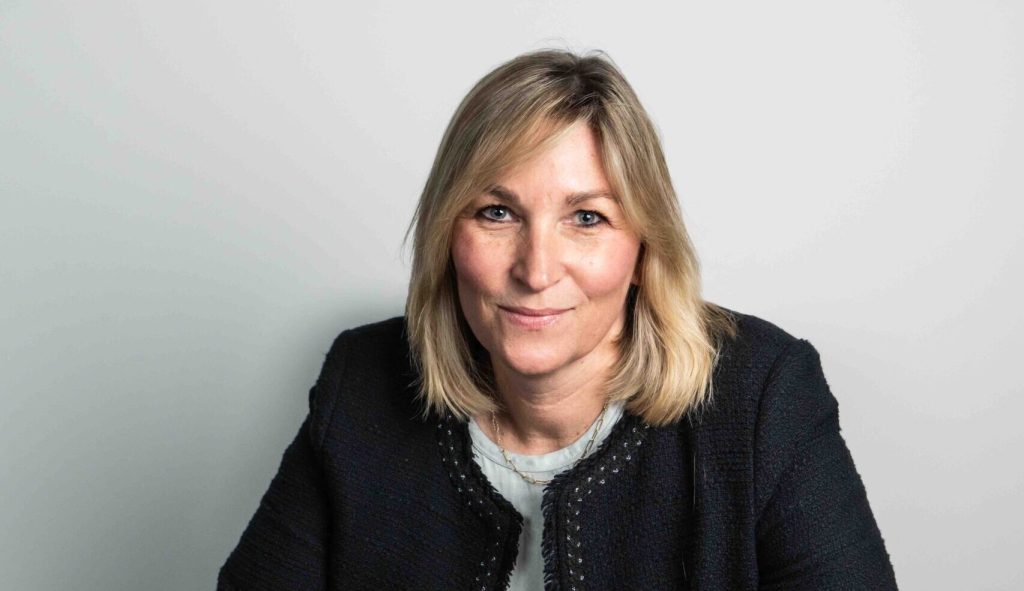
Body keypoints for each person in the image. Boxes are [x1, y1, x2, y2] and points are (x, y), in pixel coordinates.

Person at [217, 50, 898, 590]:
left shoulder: (764, 395)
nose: (537, 269)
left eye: (587, 218)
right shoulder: (361, 383)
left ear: (644, 251)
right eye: (497, 212)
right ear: (446, 237)